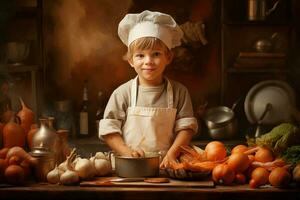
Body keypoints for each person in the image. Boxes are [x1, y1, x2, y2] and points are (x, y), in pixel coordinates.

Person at [99, 10, 198, 168]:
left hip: (168, 166)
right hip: (130, 167)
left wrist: (172, 154)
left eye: (156, 54)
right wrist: (126, 151)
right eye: (140, 55)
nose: (148, 61)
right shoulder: (122, 93)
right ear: (131, 60)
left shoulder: (180, 92)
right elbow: (109, 130)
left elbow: (187, 129)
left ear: (168, 57)